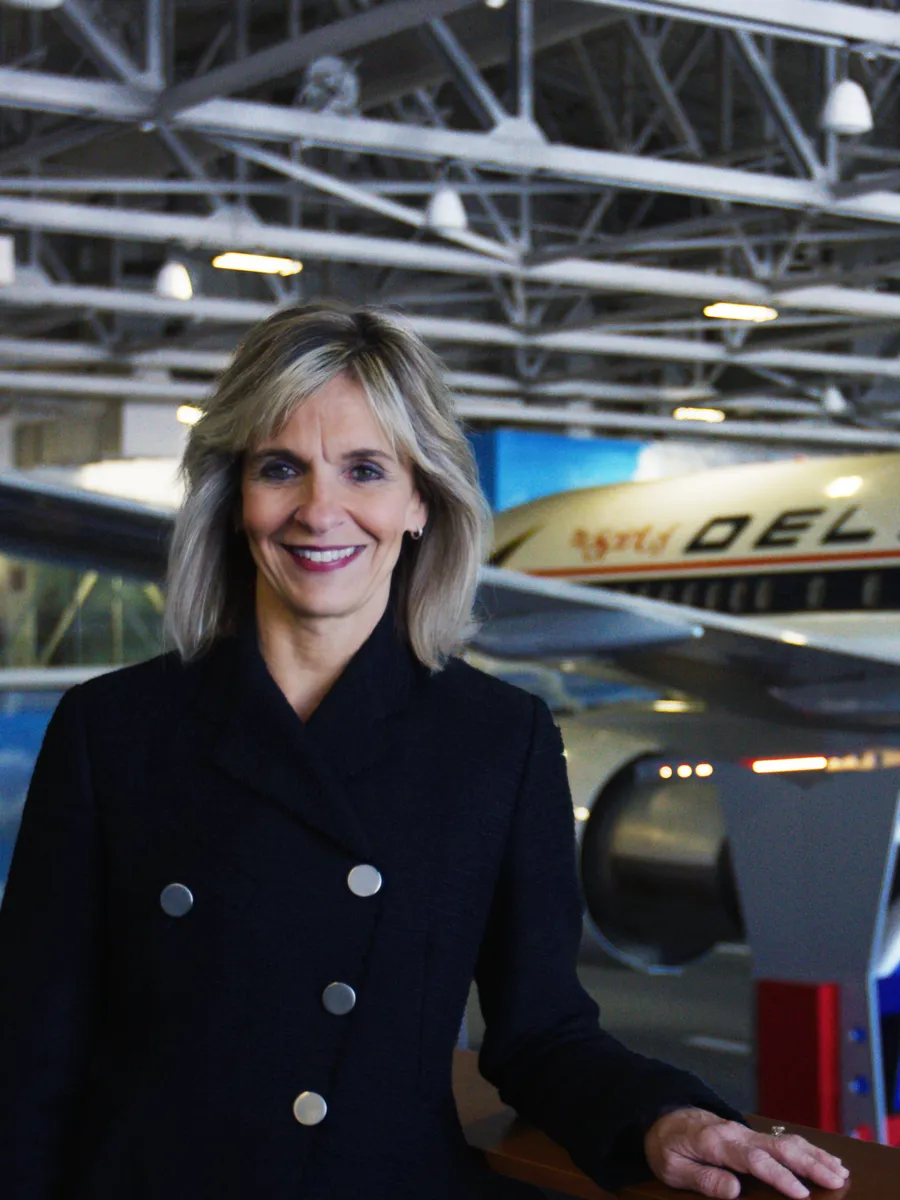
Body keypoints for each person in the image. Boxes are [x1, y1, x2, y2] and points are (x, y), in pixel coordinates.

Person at [0, 302, 849, 1200]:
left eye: (364, 470)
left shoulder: (499, 742)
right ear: (236, 498)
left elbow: (542, 1031)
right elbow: (29, 1052)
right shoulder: (113, 730)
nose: (319, 511)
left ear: (419, 502)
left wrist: (661, 1113)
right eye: (280, 468)